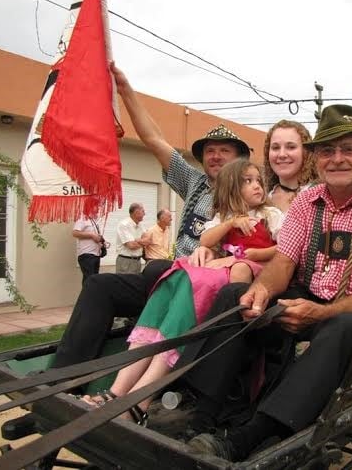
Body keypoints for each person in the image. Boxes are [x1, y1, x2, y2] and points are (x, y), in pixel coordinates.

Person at [184, 104, 352, 461]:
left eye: (349, 149)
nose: (338, 159)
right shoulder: (307, 201)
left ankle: (248, 438)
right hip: (311, 296)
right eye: (328, 150)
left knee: (339, 328)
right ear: (317, 158)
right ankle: (199, 417)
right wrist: (262, 290)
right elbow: (283, 262)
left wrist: (321, 313)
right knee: (237, 294)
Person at [50, 63, 250, 368]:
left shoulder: (252, 197)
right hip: (169, 278)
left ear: (240, 160)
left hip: (207, 289)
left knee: (156, 268)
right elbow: (154, 140)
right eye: (210, 150)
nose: (215, 156)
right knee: (100, 286)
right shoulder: (194, 182)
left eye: (224, 150)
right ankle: (63, 378)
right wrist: (125, 90)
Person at [80, 159, 283, 422]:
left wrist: (250, 254)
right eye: (248, 181)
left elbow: (284, 247)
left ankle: (140, 401)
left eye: (258, 180)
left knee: (195, 282)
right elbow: (207, 240)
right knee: (173, 276)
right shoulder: (224, 217)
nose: (257, 185)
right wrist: (231, 225)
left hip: (251, 271)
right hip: (223, 266)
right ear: (232, 188)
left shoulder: (271, 214)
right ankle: (117, 391)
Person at [263, 120, 316, 213]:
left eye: (291, 147)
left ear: (306, 152)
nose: (282, 154)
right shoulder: (262, 198)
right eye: (275, 148)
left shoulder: (317, 196)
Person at [72, 210, 105, 285]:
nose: (98, 209)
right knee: (89, 281)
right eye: (96, 206)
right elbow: (75, 233)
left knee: (94, 281)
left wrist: (101, 242)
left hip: (96, 255)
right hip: (87, 255)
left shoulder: (94, 220)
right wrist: (91, 235)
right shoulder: (82, 218)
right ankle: (87, 296)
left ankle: (92, 296)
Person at [115, 203, 149, 274]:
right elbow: (131, 245)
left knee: (135, 284)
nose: (144, 214)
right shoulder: (124, 225)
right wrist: (143, 242)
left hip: (137, 261)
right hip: (126, 261)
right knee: (124, 284)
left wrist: (138, 241)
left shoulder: (141, 225)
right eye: (143, 211)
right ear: (136, 212)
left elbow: (148, 240)